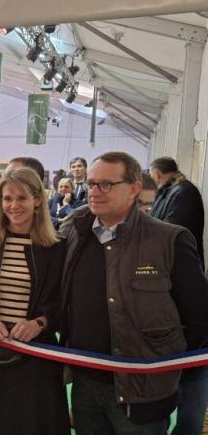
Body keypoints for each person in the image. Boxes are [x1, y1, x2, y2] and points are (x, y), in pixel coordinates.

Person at [61, 152, 208, 434]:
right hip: (86, 385)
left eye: (106, 184)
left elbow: (199, 316)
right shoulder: (76, 234)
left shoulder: (170, 240)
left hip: (143, 393)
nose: (95, 192)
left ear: (134, 189)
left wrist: (165, 367)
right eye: (91, 184)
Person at [0, 167, 69, 435]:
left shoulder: (57, 249)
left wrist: (40, 323)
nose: (13, 205)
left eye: (21, 198)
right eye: (7, 198)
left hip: (35, 360)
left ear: (38, 200)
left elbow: (64, 301)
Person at [148, 157, 207, 435]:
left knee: (192, 402)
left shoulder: (183, 194)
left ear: (157, 174)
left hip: (194, 342)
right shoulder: (175, 191)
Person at [149, 156, 204, 267]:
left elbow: (173, 228)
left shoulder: (184, 192)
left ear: (157, 174)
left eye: (151, 175)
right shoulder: (168, 190)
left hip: (182, 263)